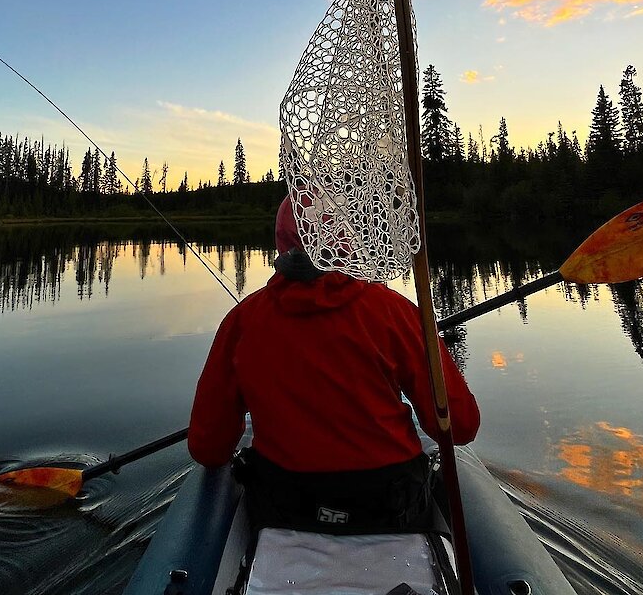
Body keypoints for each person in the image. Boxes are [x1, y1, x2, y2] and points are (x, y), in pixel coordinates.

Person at [188, 195, 480, 534]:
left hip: (285, 505)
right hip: (390, 504)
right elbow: (460, 426)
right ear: (346, 239)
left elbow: (207, 448)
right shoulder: (394, 312)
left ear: (280, 244)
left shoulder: (241, 321)